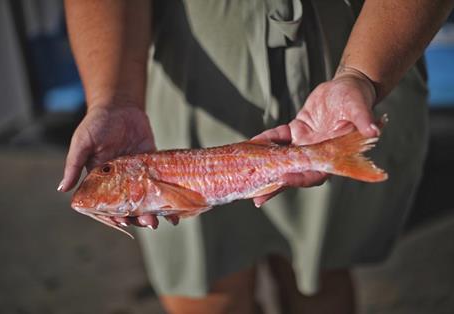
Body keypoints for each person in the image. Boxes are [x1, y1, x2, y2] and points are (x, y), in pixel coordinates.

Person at [59, 0, 453, 313]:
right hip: (187, 59)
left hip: (350, 44)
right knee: (206, 294)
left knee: (317, 273)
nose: (96, 181)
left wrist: (360, 76)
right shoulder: (137, 161)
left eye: (108, 171)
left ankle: (332, 154)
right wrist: (113, 98)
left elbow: (191, 202)